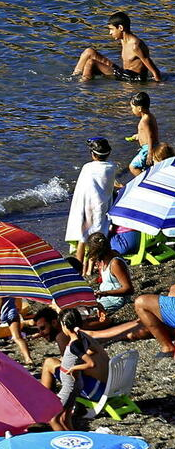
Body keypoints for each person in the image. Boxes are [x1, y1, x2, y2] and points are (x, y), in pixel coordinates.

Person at [43, 309, 109, 429]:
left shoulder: (74, 344)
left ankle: (64, 444)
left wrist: (74, 367)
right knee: (65, 418)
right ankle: (73, 440)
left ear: (65, 326)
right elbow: (94, 349)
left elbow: (91, 363)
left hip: (70, 386)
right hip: (78, 384)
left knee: (53, 418)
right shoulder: (82, 338)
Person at [66, 138, 116, 267]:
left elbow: (82, 190)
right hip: (102, 206)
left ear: (93, 155)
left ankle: (79, 265)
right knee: (98, 235)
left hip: (87, 206)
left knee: (83, 237)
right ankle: (91, 266)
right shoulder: (112, 167)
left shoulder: (87, 168)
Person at [72, 11, 162, 82]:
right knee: (89, 52)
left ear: (120, 28)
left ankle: (83, 87)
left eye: (111, 29)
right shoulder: (123, 39)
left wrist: (158, 83)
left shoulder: (135, 45)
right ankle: (73, 77)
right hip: (123, 72)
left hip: (131, 78)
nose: (110, 33)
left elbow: (154, 71)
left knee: (91, 63)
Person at [86, 232, 133, 316]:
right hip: (105, 296)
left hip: (116, 300)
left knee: (88, 312)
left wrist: (105, 293)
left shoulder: (115, 263)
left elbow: (129, 289)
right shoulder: (104, 260)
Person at [0, 297, 32, 363]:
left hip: (0, 312)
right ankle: (28, 359)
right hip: (12, 311)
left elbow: (0, 298)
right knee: (18, 338)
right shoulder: (10, 288)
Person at [127, 91, 160, 172]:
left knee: (133, 167)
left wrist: (149, 153)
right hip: (154, 146)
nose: (132, 110)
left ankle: (142, 180)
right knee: (147, 167)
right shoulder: (150, 116)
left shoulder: (144, 121)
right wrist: (138, 136)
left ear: (139, 108)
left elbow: (150, 137)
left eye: (132, 108)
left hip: (148, 148)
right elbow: (150, 132)